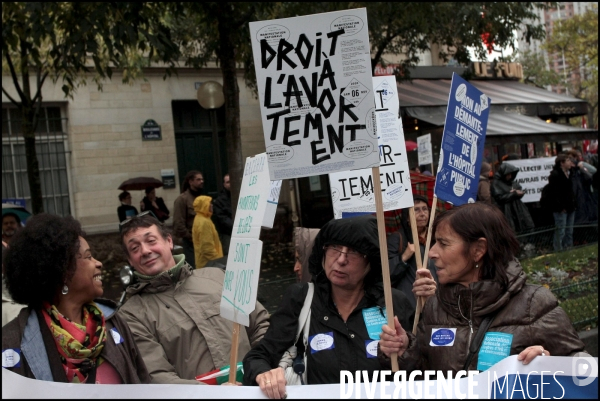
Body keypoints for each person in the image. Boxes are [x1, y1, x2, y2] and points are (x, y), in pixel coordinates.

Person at [378, 203, 585, 374]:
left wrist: (549, 364)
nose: (431, 253)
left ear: (478, 250)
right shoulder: (435, 306)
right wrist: (405, 349)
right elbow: (426, 377)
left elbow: (582, 373)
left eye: (443, 243)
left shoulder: (535, 304)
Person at [243, 215, 424, 398]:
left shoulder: (393, 303)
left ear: (371, 261)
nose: (341, 259)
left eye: (353, 251)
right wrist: (265, 374)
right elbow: (258, 357)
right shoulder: (301, 298)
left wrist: (406, 350)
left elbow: (425, 373)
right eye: (334, 248)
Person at [118, 213, 269, 384]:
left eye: (151, 241)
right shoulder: (131, 315)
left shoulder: (218, 277)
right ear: (130, 260)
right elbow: (157, 376)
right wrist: (216, 395)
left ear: (169, 241)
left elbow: (261, 324)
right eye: (135, 248)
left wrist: (262, 367)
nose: (145, 251)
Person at [2, 214, 149, 383]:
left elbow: (142, 382)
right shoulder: (12, 343)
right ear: (63, 271)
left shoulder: (113, 322)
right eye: (88, 257)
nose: (98, 263)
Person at [387, 195, 439, 310]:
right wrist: (404, 257)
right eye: (416, 210)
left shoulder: (435, 238)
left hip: (435, 303)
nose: (422, 214)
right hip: (410, 306)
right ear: (407, 217)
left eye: (425, 209)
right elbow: (386, 275)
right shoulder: (398, 238)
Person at [542, 154, 576, 251]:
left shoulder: (570, 173)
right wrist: (560, 207)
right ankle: (558, 249)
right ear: (562, 163)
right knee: (561, 230)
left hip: (571, 206)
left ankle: (568, 247)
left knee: (569, 230)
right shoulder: (555, 175)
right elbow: (554, 194)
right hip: (561, 208)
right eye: (568, 161)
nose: (570, 163)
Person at [173, 170, 204, 269]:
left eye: (202, 179)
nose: (201, 181)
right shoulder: (182, 199)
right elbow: (178, 223)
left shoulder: (202, 198)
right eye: (198, 179)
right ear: (190, 182)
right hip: (190, 243)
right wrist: (191, 238)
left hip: (204, 241)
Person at [491, 162, 534, 233]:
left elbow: (518, 189)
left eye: (511, 174)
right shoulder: (496, 183)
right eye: (507, 174)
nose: (509, 176)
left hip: (517, 209)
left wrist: (518, 193)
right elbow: (499, 198)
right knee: (509, 229)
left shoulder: (512, 182)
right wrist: (514, 194)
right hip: (505, 211)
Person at [192, 195, 223, 269]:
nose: (211, 205)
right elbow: (207, 248)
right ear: (204, 206)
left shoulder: (200, 218)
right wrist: (217, 261)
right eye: (209, 203)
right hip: (209, 265)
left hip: (204, 263)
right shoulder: (204, 222)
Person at [567, 150, 597, 224]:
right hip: (578, 201)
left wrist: (582, 167)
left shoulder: (579, 169)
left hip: (585, 198)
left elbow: (590, 176)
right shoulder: (570, 173)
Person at [212, 174, 233, 255]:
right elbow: (222, 219)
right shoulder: (220, 201)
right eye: (228, 182)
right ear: (224, 184)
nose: (230, 184)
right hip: (227, 233)